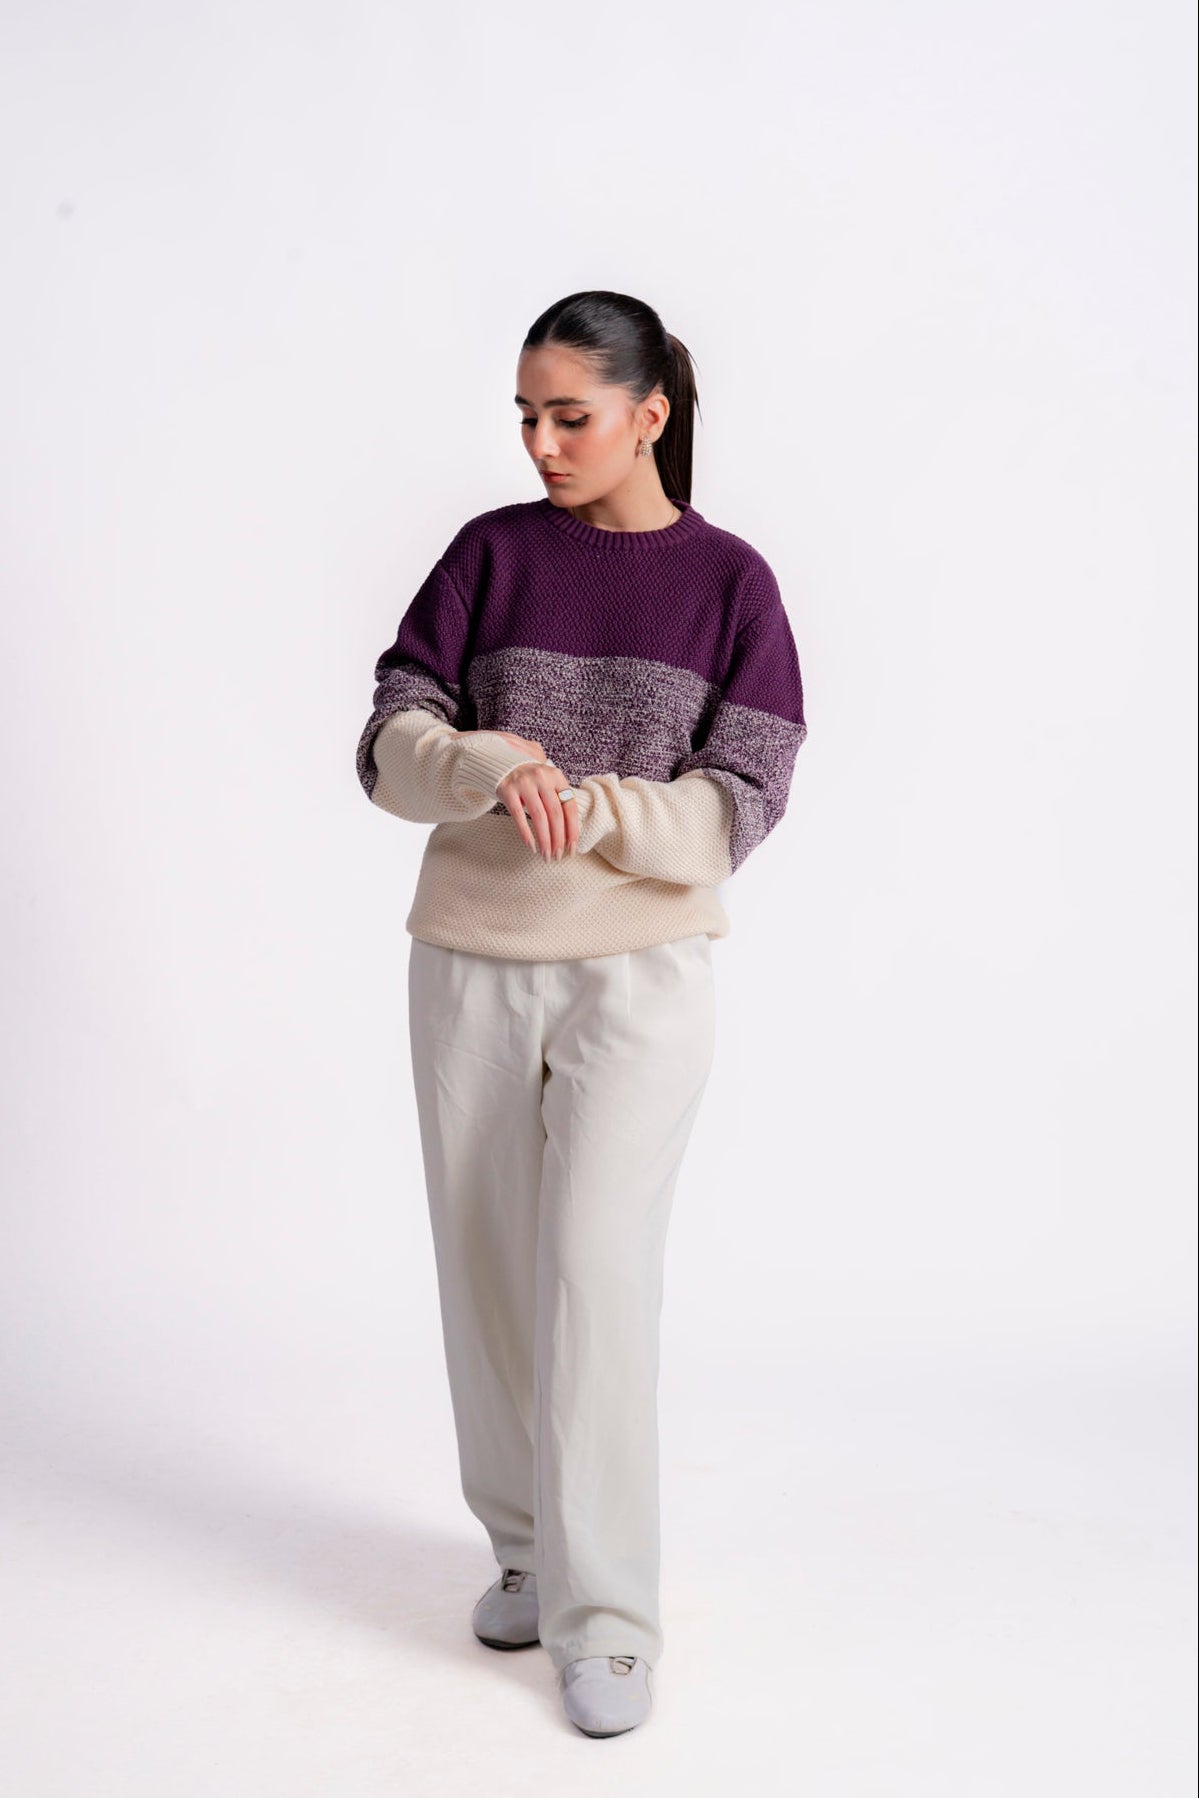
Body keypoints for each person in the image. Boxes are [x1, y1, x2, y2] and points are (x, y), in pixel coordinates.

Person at [355, 289, 809, 1738]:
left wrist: (597, 806)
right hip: (472, 955)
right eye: (527, 417)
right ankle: (526, 1551)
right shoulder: (489, 555)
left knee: (596, 1273)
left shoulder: (730, 583)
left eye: (572, 415)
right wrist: (485, 761)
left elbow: (739, 805)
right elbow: (388, 743)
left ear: (649, 413)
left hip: (642, 973)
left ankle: (608, 1619)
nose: (543, 443)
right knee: (487, 1268)